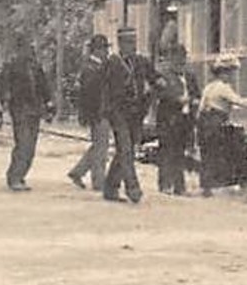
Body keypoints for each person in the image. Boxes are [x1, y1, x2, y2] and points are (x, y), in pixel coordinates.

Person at [197, 53, 247, 194]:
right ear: (224, 72)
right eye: (231, 72)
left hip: (204, 123)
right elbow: (239, 101)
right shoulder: (223, 87)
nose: (232, 76)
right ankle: (239, 181)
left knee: (208, 155)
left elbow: (202, 107)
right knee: (231, 149)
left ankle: (207, 187)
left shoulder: (209, 87)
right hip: (216, 123)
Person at [0, 32, 52, 191]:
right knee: (23, 144)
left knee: (31, 146)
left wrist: (49, 105)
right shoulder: (12, 66)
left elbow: (44, 87)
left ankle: (20, 175)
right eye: (28, 47)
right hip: (19, 109)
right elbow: (3, 87)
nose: (31, 50)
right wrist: (1, 107)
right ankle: (14, 177)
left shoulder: (36, 66)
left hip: (35, 110)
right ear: (21, 48)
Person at [102, 27, 150, 203]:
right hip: (118, 112)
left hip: (136, 113)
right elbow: (103, 89)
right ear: (121, 44)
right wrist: (105, 111)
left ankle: (110, 188)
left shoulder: (141, 61)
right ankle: (133, 188)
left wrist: (159, 84)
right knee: (125, 149)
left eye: (135, 42)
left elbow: (154, 77)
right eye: (130, 42)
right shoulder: (112, 63)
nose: (133, 46)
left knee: (125, 151)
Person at [153, 43, 200, 195]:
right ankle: (165, 184)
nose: (182, 61)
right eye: (178, 58)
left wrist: (194, 100)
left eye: (184, 57)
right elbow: (160, 94)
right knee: (167, 151)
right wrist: (177, 99)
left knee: (179, 151)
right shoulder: (163, 75)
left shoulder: (190, 75)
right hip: (168, 118)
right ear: (171, 58)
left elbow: (196, 93)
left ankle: (179, 186)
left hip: (185, 118)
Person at [67, 34, 111, 190]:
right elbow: (90, 94)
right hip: (98, 112)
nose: (107, 52)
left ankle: (78, 171)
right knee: (101, 148)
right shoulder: (92, 68)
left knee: (99, 145)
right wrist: (91, 114)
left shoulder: (94, 66)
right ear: (97, 50)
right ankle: (98, 181)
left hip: (100, 111)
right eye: (104, 48)